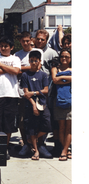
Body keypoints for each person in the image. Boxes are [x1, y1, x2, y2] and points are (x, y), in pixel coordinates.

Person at [0, 36, 21, 159]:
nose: (3, 48)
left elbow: (16, 71)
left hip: (11, 95)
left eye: (6, 46)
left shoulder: (15, 58)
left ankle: (4, 149)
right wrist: (8, 70)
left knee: (8, 125)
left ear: (11, 47)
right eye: (1, 46)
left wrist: (1, 65)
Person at [20, 50, 51, 160]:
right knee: (31, 128)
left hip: (42, 104)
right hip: (30, 105)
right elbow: (26, 93)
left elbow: (46, 90)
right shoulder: (25, 75)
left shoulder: (43, 75)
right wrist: (33, 105)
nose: (33, 63)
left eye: (35, 61)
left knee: (47, 125)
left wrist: (34, 93)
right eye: (32, 60)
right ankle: (36, 151)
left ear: (39, 61)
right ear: (29, 61)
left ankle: (33, 139)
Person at [35, 29, 59, 157]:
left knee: (45, 119)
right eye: (38, 38)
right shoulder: (32, 51)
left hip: (46, 91)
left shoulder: (51, 53)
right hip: (33, 89)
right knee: (33, 119)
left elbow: (53, 71)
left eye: (42, 39)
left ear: (46, 40)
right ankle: (31, 145)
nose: (39, 41)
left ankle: (42, 144)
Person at [51, 49, 72, 161]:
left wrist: (61, 78)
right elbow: (54, 80)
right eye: (62, 56)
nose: (64, 58)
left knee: (69, 128)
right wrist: (68, 79)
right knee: (61, 127)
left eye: (67, 57)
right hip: (58, 100)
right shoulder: (55, 68)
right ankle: (66, 148)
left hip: (71, 100)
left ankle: (65, 150)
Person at [15, 31, 34, 153]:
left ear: (31, 40)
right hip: (21, 90)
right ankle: (25, 143)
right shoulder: (17, 55)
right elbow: (16, 70)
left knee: (34, 119)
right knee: (22, 119)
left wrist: (22, 68)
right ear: (20, 41)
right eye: (23, 41)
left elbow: (36, 68)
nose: (26, 43)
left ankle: (35, 144)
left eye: (27, 40)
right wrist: (29, 68)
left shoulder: (37, 52)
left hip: (34, 89)